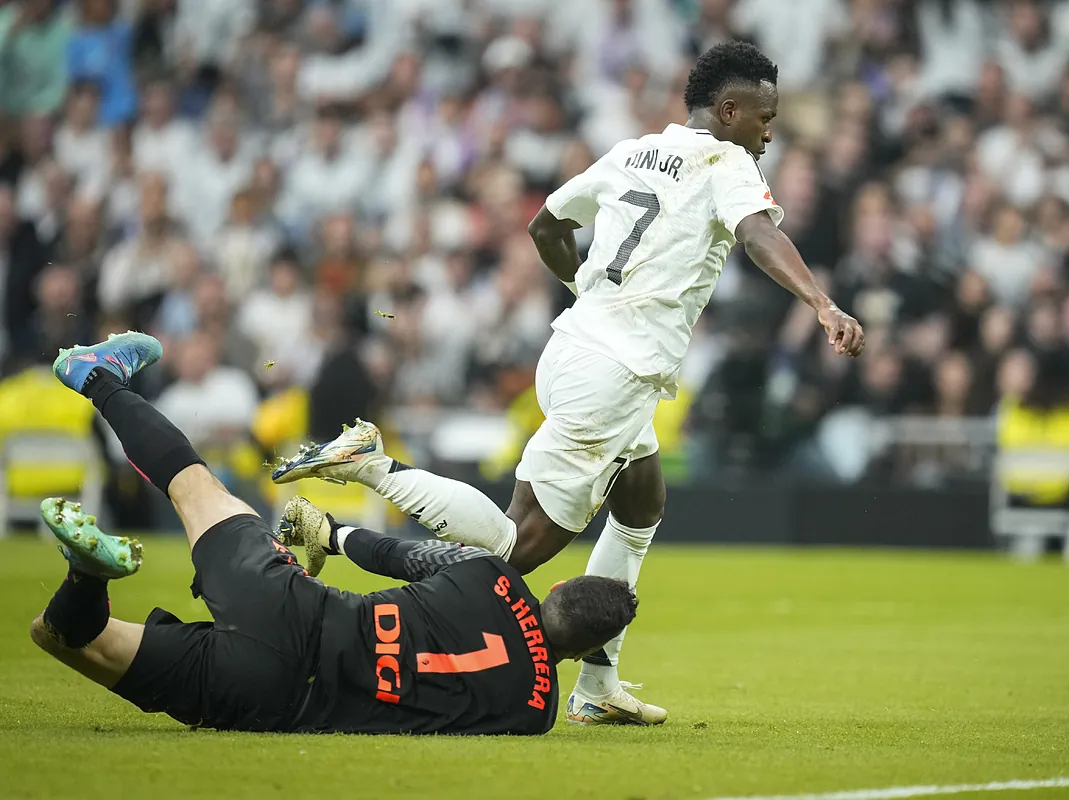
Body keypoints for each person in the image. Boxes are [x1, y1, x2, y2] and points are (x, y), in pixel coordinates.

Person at [272, 41, 865, 726]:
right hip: (614, 375)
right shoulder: (726, 162)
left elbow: (545, 225)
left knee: (641, 501)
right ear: (730, 111)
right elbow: (759, 233)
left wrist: (584, 288)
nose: (770, 131)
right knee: (504, 556)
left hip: (576, 348)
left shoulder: (635, 151)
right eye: (765, 116)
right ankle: (370, 476)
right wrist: (821, 304)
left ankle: (598, 683)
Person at [28, 332, 638, 736]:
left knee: (195, 489)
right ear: (583, 653)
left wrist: (333, 532)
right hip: (277, 700)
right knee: (69, 640)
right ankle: (85, 578)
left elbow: (396, 554)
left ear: (558, 585)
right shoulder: (535, 712)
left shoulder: (491, 576)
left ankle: (100, 379)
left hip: (296, 606)